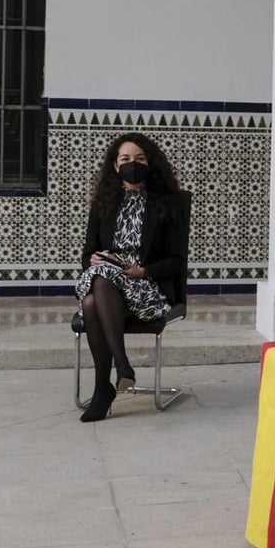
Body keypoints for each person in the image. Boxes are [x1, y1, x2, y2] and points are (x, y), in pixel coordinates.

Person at [75, 132, 190, 423]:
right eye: (125, 159)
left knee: (93, 299)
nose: (132, 164)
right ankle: (115, 375)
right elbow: (86, 253)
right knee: (97, 287)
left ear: (150, 163)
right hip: (110, 287)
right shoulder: (103, 204)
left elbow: (176, 261)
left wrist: (144, 271)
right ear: (115, 166)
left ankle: (110, 381)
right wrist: (95, 258)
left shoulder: (168, 203)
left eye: (139, 159)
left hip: (148, 288)